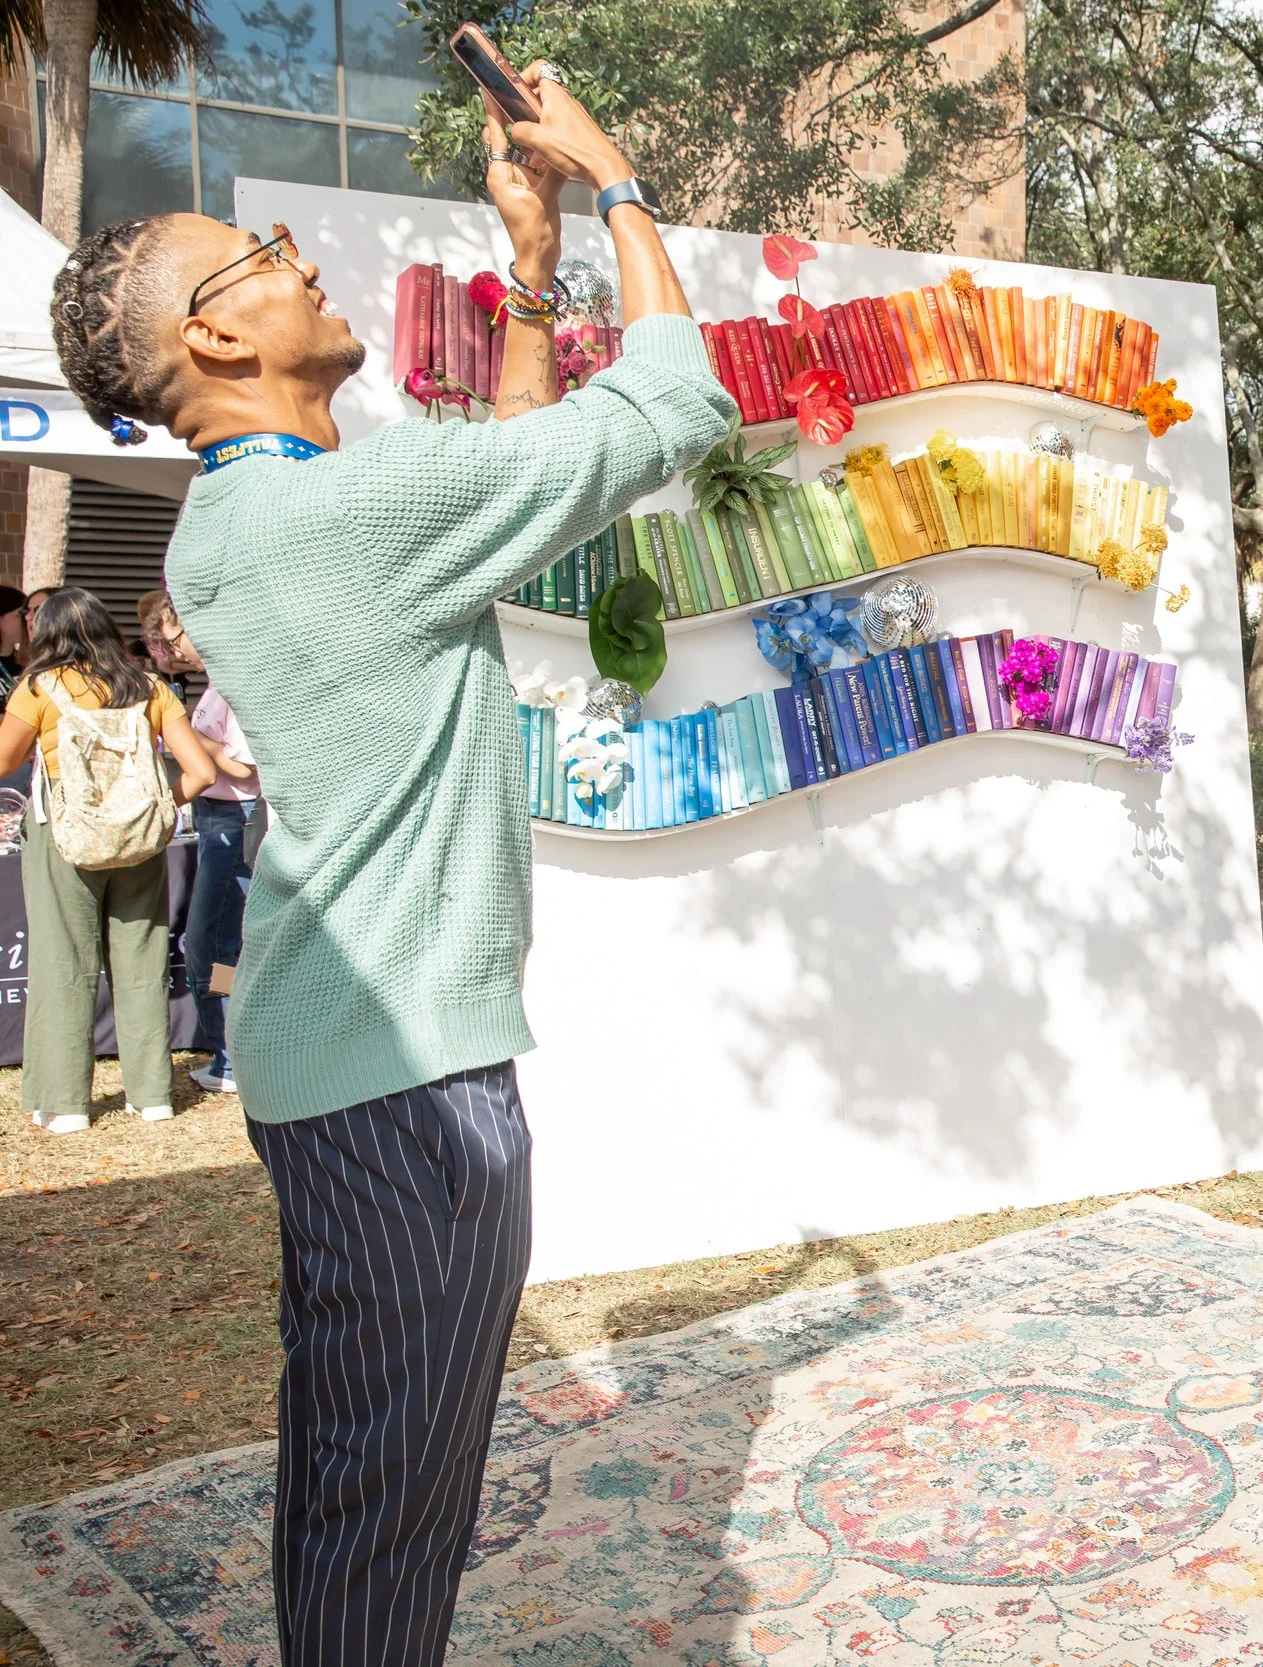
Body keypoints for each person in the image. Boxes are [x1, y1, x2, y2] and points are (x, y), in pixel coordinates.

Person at [49, 60, 732, 1667]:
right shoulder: (331, 519)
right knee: (394, 1492)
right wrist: (620, 176)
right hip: (407, 1083)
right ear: (215, 338)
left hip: (344, 1063)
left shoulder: (260, 521)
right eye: (261, 251)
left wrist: (533, 261)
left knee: (355, 1462)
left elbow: (485, 492)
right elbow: (675, 409)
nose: (297, 258)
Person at [0, 587, 219, 1132]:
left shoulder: (38, 687)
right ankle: (152, 1097)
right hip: (141, 841)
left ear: (42, 633)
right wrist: (153, 808)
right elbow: (202, 773)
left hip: (65, 839)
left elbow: (3, 760)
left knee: (63, 963)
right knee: (143, 962)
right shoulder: (148, 686)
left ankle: (66, 1103)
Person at [184, 677, 258, 1094]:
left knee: (214, 946)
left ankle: (231, 1060)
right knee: (218, 945)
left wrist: (192, 738)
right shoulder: (217, 681)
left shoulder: (237, 680)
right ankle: (227, 1055)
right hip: (217, 812)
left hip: (236, 814)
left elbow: (241, 768)